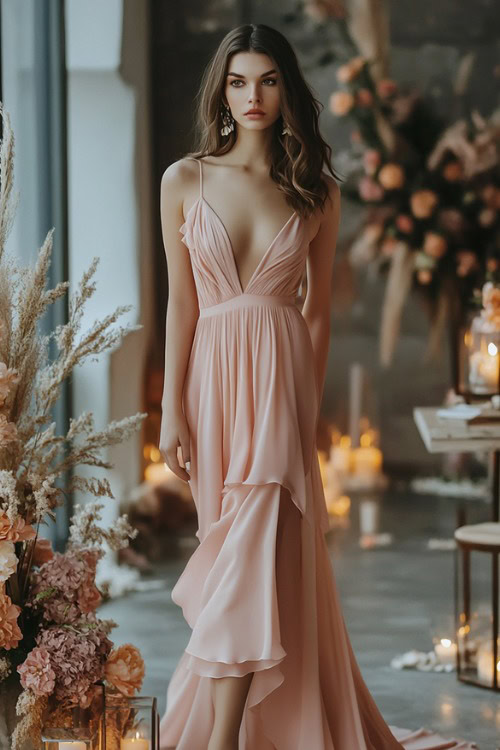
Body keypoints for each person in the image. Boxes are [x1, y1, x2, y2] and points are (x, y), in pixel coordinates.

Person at [158, 23, 477, 750]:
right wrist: (172, 410)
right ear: (222, 91)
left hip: (278, 384)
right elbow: (182, 305)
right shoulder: (184, 179)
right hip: (212, 386)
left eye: (268, 80)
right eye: (238, 81)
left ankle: (223, 739)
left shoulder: (316, 191)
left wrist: (302, 413)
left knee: (254, 547)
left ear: (288, 89)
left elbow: (319, 312)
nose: (253, 96)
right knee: (232, 554)